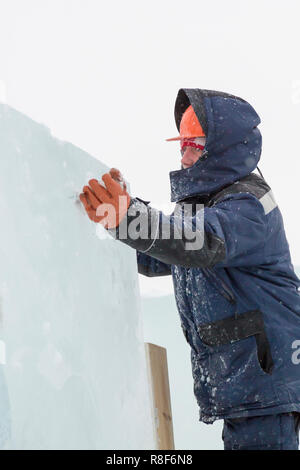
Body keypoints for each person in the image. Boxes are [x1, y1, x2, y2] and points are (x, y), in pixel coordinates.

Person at [80, 88, 300, 450]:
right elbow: (163, 254)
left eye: (193, 143)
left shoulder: (250, 205)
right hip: (242, 385)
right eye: (180, 143)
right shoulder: (203, 208)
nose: (183, 153)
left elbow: (197, 243)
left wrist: (129, 218)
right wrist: (118, 216)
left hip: (266, 384)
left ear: (222, 147)